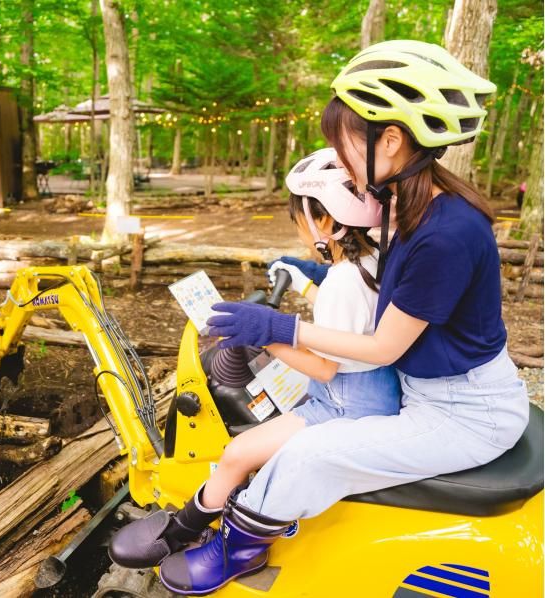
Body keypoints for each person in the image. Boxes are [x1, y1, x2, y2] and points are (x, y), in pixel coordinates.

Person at [148, 40, 527, 595]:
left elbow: (382, 348)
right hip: (438, 393)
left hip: (464, 413)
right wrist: (315, 270)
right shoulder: (414, 207)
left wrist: (277, 328)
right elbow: (382, 277)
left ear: (391, 140)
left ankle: (238, 550)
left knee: (311, 455)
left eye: (344, 144)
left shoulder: (443, 232)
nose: (342, 161)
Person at [108, 148, 401, 592]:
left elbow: (323, 368)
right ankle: (211, 519)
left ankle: (196, 533)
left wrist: (268, 336)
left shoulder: (343, 281)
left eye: (299, 223)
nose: (301, 233)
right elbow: (346, 323)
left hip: (345, 403)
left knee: (237, 452)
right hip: (369, 391)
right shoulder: (370, 264)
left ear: (323, 222)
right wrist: (303, 279)